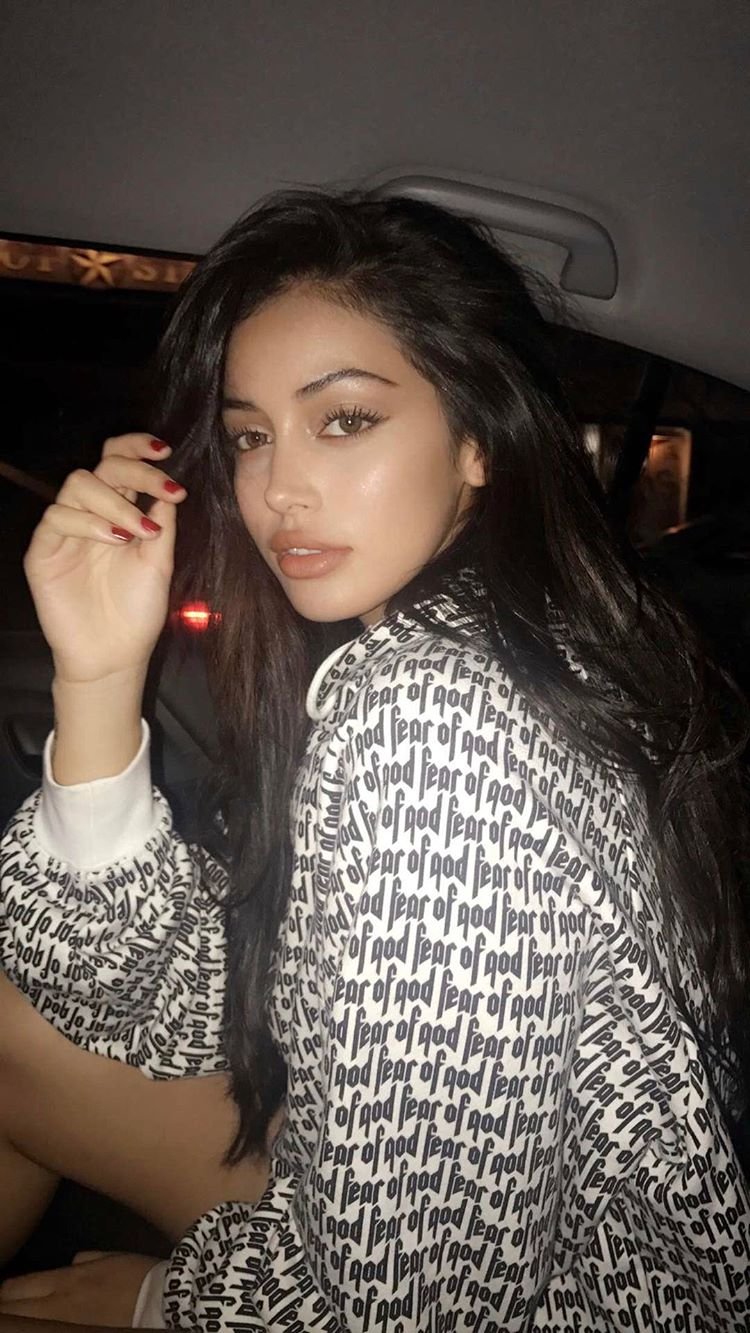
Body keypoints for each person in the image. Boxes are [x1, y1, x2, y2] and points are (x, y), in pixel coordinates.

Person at [0, 188, 749, 1333]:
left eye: (344, 420)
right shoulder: (513, 643)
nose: (276, 489)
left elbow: (423, 1301)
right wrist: (98, 675)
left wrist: (163, 1300)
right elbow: (215, 1002)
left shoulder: (440, 713)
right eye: (250, 435)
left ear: (478, 440)